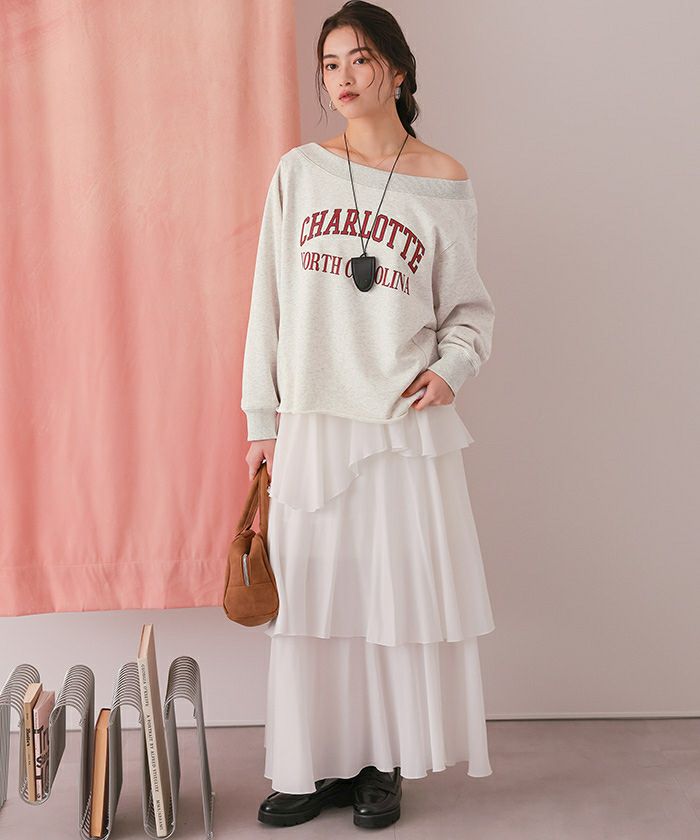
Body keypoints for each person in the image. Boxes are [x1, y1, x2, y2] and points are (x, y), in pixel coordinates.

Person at [240, 0, 496, 829]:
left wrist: (451, 370)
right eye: (330, 64)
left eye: (358, 59)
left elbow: (469, 311)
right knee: (314, 601)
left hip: (399, 427)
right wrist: (260, 417)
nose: (342, 78)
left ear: (398, 68)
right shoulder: (300, 171)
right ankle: (313, 765)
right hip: (314, 419)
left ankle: (382, 766)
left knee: (389, 600)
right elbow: (268, 302)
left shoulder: (443, 178)